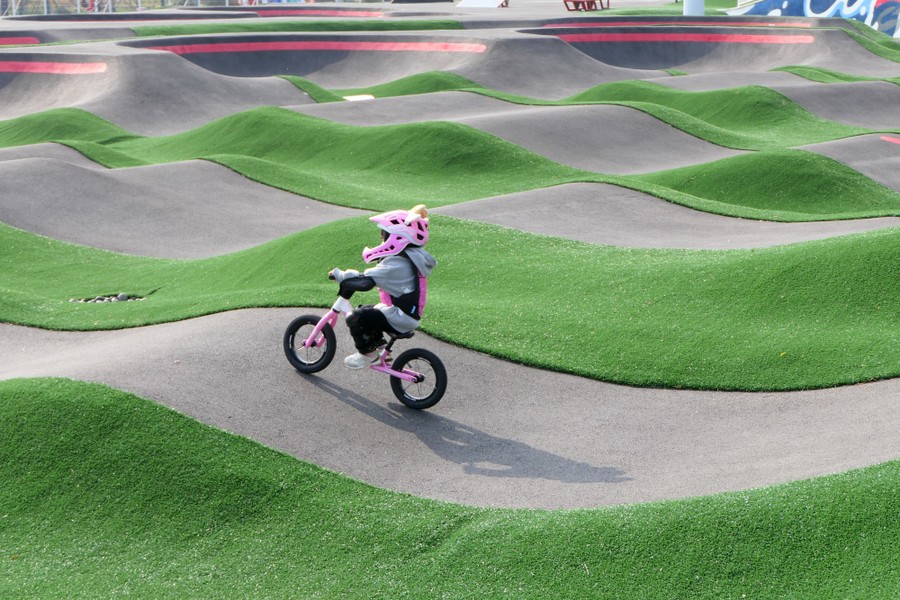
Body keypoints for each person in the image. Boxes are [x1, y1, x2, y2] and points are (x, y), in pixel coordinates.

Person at [329, 204, 437, 369]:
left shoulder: (397, 264)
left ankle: (368, 354)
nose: (381, 239)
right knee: (368, 311)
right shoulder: (409, 258)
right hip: (404, 313)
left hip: (401, 317)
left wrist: (341, 276)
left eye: (384, 236)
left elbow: (366, 281)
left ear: (396, 238)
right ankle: (380, 348)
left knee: (355, 316)